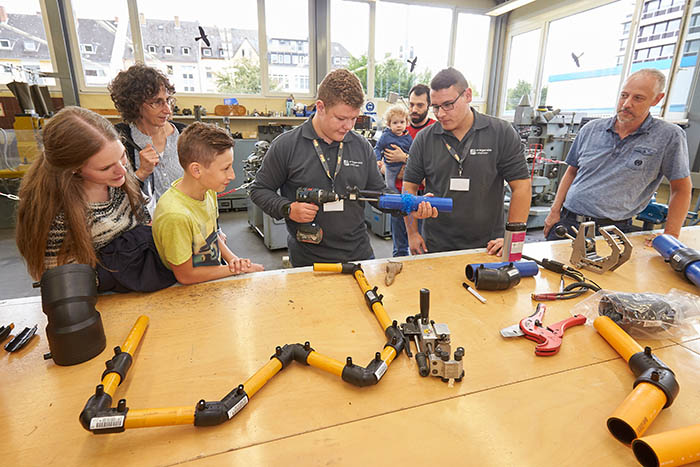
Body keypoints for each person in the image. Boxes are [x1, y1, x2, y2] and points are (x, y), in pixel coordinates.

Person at [15, 106, 176, 293]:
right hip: (99, 299)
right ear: (74, 168)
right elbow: (65, 282)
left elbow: (143, 220)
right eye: (105, 168)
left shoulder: (118, 177)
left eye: (122, 155)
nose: (122, 171)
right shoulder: (56, 214)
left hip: (144, 288)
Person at [249, 69, 386, 267]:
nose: (348, 126)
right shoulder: (286, 145)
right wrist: (287, 208)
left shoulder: (361, 146)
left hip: (358, 255)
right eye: (341, 118)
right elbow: (259, 190)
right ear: (320, 107)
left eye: (354, 118)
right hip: (309, 261)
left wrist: (408, 205)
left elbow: (378, 192)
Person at [543, 68, 692, 241]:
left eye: (638, 98)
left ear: (657, 99)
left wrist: (671, 235)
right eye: (624, 95)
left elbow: (682, 189)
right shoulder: (591, 129)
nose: (627, 104)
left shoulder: (668, 136)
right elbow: (571, 172)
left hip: (612, 231)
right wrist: (554, 212)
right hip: (567, 223)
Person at [403, 67, 531, 255]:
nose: (441, 114)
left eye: (448, 104)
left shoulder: (501, 133)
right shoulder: (424, 139)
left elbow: (521, 187)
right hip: (437, 245)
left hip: (489, 246)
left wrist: (512, 237)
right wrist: (412, 233)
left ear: (468, 95)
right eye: (436, 107)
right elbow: (409, 187)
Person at [152, 122, 263, 285]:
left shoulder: (208, 191)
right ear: (196, 170)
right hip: (186, 289)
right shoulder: (175, 215)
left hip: (213, 277)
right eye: (225, 168)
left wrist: (234, 260)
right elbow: (186, 276)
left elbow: (211, 235)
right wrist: (237, 270)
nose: (232, 175)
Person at [109, 64, 185, 213]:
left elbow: (203, 187)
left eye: (168, 100)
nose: (167, 110)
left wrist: (215, 227)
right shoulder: (119, 140)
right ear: (135, 104)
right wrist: (142, 173)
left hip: (186, 225)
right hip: (143, 230)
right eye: (157, 102)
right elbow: (113, 198)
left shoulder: (184, 134)